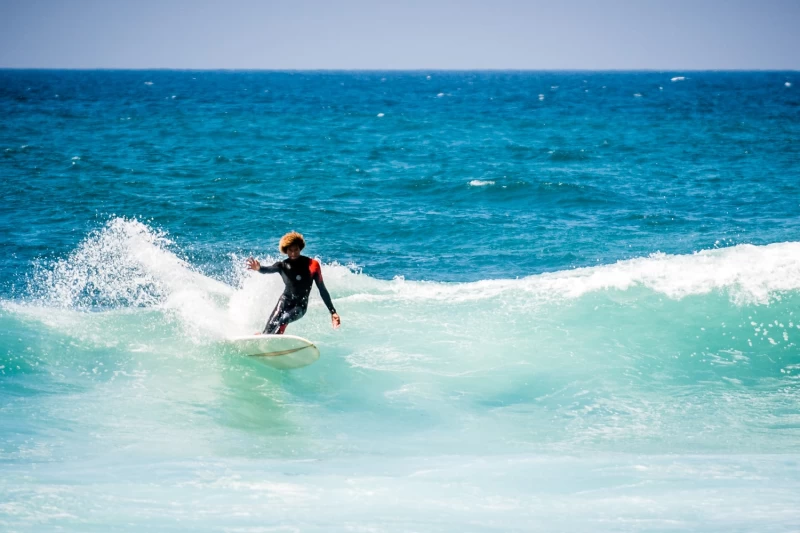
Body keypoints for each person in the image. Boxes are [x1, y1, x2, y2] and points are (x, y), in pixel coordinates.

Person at [247, 231, 341, 335]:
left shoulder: (312, 265)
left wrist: (333, 312)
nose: (293, 253)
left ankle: (274, 342)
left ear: (300, 248)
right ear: (285, 251)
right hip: (284, 301)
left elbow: (322, 289)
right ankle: (264, 339)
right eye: (290, 250)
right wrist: (258, 268)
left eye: (296, 249)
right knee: (271, 325)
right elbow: (267, 269)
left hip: (300, 305)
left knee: (284, 319)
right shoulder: (282, 265)